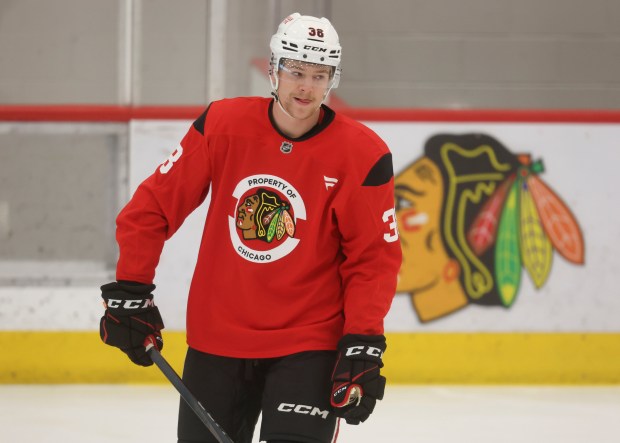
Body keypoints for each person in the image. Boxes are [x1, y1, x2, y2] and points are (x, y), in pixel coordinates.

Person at [99, 12, 402, 443]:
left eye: (319, 75)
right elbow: (151, 208)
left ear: (333, 79)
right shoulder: (222, 125)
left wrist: (362, 340)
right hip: (218, 339)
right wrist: (132, 288)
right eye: (296, 71)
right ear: (274, 69)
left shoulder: (363, 154)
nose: (306, 87)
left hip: (309, 345)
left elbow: (373, 259)